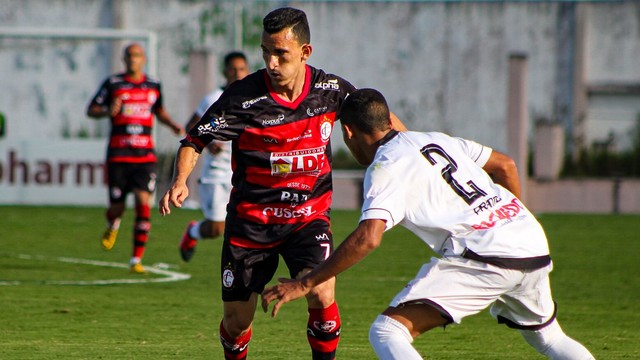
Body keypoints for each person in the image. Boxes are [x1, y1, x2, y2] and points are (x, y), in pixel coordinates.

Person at [261, 89, 595, 360]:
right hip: (529, 238)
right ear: (388, 119)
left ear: (348, 132)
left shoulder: (385, 166)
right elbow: (505, 165)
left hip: (486, 255)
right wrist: (510, 221)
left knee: (387, 332)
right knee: (549, 338)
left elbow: (368, 238)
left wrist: (305, 284)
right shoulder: (437, 139)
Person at [159, 7, 406, 360]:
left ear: (305, 52)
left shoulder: (329, 90)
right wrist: (180, 180)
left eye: (281, 54)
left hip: (308, 218)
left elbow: (378, 118)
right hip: (251, 223)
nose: (271, 63)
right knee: (236, 323)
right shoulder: (243, 97)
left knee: (321, 292)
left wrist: (416, 149)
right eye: (265, 52)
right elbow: (194, 140)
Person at [87, 42, 184, 274]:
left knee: (143, 205)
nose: (133, 59)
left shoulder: (153, 85)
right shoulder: (113, 84)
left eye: (137, 55)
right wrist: (108, 109)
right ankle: (113, 223)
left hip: (144, 156)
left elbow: (159, 110)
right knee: (117, 208)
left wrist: (172, 125)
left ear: (144, 59)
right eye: (129, 56)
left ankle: (135, 260)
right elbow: (92, 109)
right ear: (124, 59)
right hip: (119, 155)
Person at [179, 51, 250, 262]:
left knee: (248, 223)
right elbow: (191, 125)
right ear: (225, 72)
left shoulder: (253, 98)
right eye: (233, 69)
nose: (238, 73)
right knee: (216, 228)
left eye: (242, 69)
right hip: (216, 173)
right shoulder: (213, 98)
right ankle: (193, 231)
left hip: (243, 172)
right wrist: (208, 144)